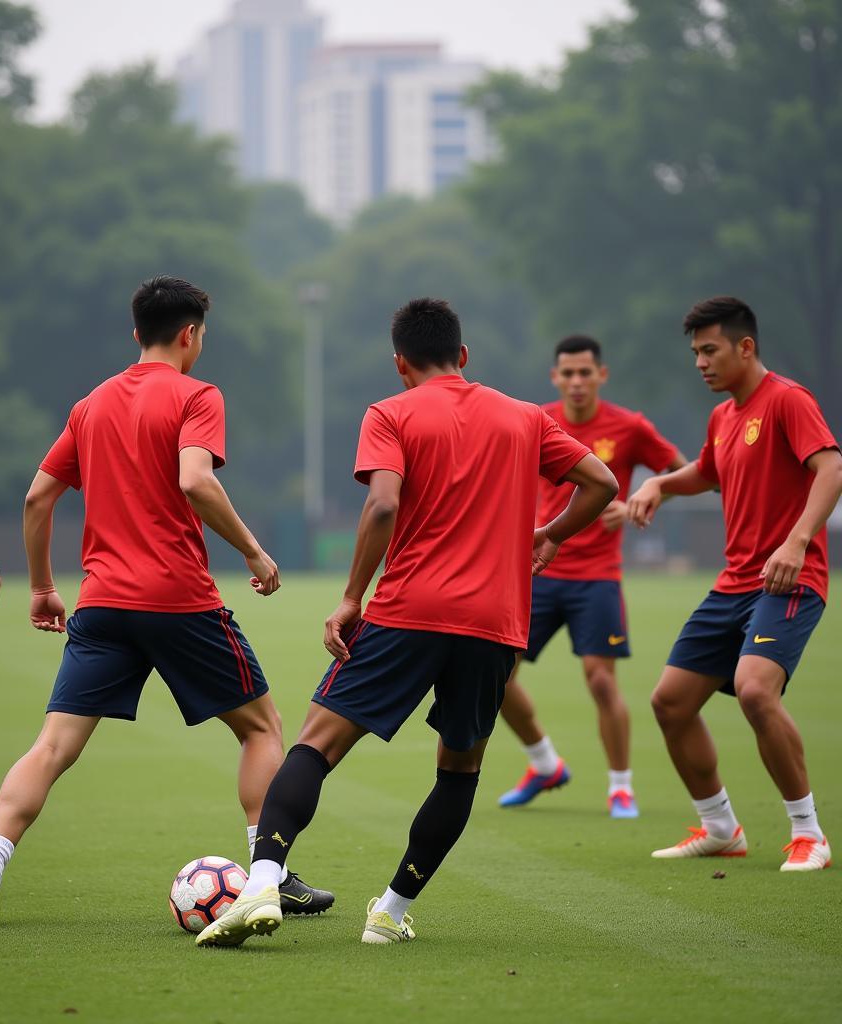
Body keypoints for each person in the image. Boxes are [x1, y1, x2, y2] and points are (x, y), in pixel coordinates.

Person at [195, 297, 617, 949]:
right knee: (459, 771)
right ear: (464, 356)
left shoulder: (391, 413)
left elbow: (384, 501)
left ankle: (261, 883)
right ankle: (389, 913)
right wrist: (551, 534)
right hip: (494, 623)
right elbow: (601, 481)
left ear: (400, 364)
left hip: (408, 610)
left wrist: (350, 597)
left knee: (316, 744)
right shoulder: (525, 417)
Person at [0, 275, 333, 926]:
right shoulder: (198, 394)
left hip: (102, 605)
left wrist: (43, 587)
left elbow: (37, 498)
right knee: (262, 728)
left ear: (137, 333)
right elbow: (195, 479)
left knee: (52, 747)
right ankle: (268, 874)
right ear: (190, 335)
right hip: (178, 598)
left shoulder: (91, 404)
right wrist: (253, 550)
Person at [627, 296, 841, 872]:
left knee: (753, 690)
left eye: (710, 350)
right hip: (733, 584)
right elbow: (709, 472)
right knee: (670, 703)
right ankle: (721, 827)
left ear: (746, 347)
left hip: (788, 581)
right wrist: (660, 485)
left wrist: (797, 541)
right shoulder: (723, 416)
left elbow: (832, 468)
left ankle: (808, 834)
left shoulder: (788, 401)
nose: (701, 362)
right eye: (695, 352)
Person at [496, 335, 685, 818]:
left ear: (602, 375)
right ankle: (544, 763)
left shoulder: (630, 426)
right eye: (568, 373)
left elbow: (684, 470)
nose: (577, 382)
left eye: (586, 373)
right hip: (535, 568)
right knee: (493, 676)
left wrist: (641, 498)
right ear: (555, 378)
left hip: (598, 575)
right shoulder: (534, 419)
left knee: (601, 681)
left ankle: (621, 787)